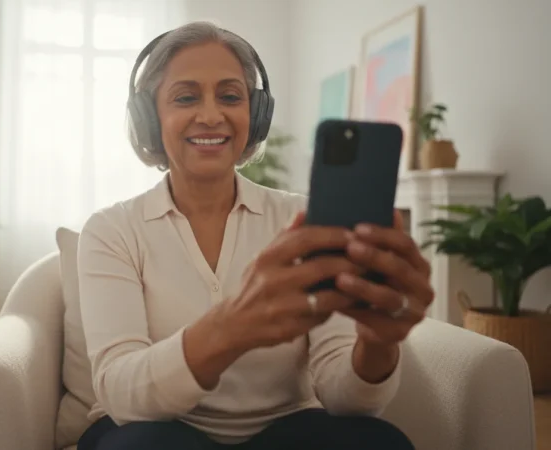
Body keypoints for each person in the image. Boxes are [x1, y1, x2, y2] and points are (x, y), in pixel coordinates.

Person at [76, 21, 433, 450]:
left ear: (257, 115)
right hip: (154, 430)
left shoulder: (301, 222)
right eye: (186, 97)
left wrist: (378, 344)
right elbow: (120, 393)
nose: (212, 115)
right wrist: (232, 327)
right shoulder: (112, 230)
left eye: (230, 96)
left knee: (381, 442)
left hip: (284, 430)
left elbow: (348, 401)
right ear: (149, 118)